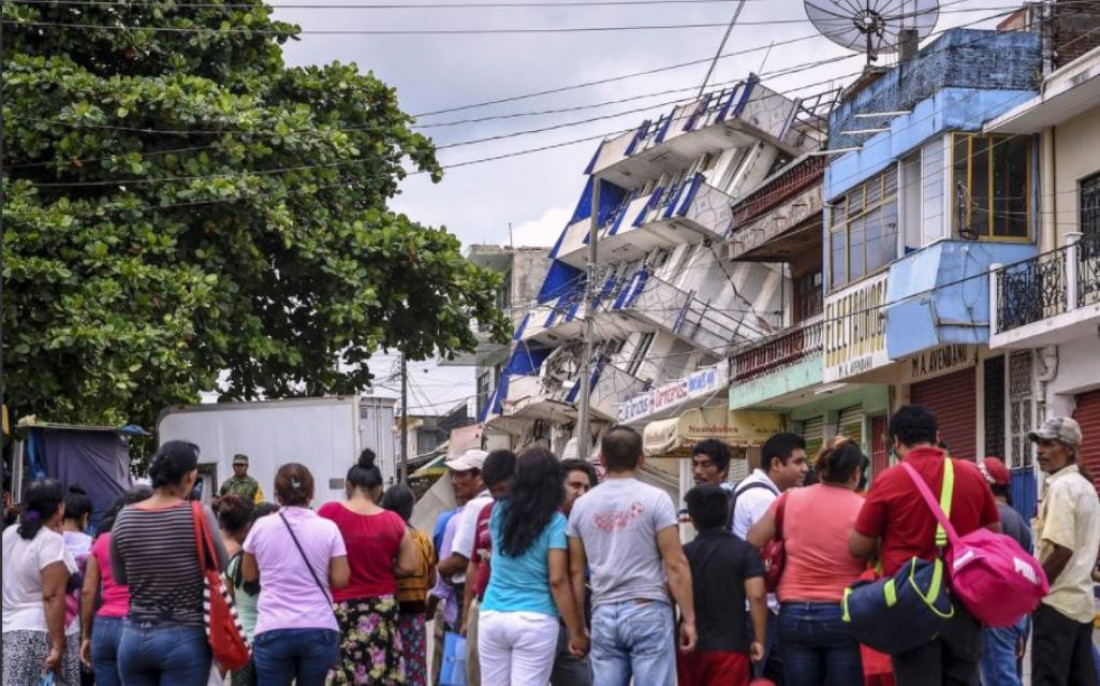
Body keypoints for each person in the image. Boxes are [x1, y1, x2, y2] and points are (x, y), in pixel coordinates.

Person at [850, 405, 1001, 686]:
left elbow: (858, 547)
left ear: (896, 442)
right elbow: (995, 535)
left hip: (911, 606)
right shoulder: (970, 475)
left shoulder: (889, 480)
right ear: (937, 435)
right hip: (963, 603)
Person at [567, 425, 696, 686]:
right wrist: (689, 618)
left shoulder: (581, 506)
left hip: (603, 613)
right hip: (648, 609)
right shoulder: (657, 499)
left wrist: (578, 629)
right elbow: (675, 563)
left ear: (602, 460)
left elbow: (576, 572)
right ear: (641, 459)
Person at [748, 437, 867, 686]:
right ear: (856, 474)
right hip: (841, 613)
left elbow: (752, 540)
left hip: (793, 614)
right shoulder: (863, 507)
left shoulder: (789, 500)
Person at [111, 441, 229, 686]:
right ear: (189, 476)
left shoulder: (125, 516)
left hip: (133, 638)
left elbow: (120, 577)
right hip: (184, 636)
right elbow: (221, 564)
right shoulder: (198, 514)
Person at [478, 447, 589, 684]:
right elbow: (558, 581)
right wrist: (576, 632)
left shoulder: (498, 512)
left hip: (492, 615)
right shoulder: (555, 522)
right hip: (535, 619)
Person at [243, 463, 349, 685]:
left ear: (277, 494)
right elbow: (341, 578)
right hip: (318, 626)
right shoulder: (328, 528)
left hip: (273, 626)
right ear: (311, 493)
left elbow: (249, 574)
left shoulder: (260, 527)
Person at [319, 449, 417, 685]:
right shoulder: (393, 520)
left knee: (344, 668)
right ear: (379, 489)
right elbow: (408, 565)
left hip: (340, 605)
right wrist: (384, 567)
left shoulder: (329, 513)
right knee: (380, 668)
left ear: (348, 484)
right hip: (382, 606)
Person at [730, 431, 808, 682]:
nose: (805, 469)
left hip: (757, 606)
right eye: (797, 462)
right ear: (776, 464)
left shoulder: (755, 490)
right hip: (758, 609)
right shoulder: (763, 498)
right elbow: (772, 551)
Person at [1029, 416, 1100, 686]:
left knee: (1049, 679)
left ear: (1069, 449)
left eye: (1048, 444)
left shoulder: (1062, 488)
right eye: (1038, 444)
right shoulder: (1085, 487)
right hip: (1080, 605)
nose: (1040, 451)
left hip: (1056, 604)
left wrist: (1036, 590)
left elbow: (1062, 549)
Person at [677, 484, 766, 686]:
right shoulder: (745, 552)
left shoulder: (684, 555)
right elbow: (757, 596)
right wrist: (759, 639)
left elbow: (671, 592)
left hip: (689, 646)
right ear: (727, 513)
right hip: (731, 647)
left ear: (692, 520)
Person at [2, 479, 80, 685]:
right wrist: (57, 645)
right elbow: (52, 596)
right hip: (38, 633)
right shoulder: (50, 541)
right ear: (59, 508)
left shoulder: (9, 534)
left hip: (9, 631)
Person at [79, 486, 152, 686]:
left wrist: (86, 635)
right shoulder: (152, 541)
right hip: (137, 626)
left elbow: (88, 591)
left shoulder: (102, 540)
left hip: (104, 628)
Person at [433, 447, 490, 683]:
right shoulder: (497, 503)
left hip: (465, 595)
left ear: (480, 477)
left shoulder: (476, 507)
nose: (455, 482)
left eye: (462, 475)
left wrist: (441, 569)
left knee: (459, 668)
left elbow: (462, 559)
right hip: (487, 596)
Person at [974, 457, 1031, 686]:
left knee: (998, 677)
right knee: (1009, 674)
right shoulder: (1019, 520)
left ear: (986, 485)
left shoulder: (990, 518)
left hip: (996, 612)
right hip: (1017, 611)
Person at [462, 449, 517, 686]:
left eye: (501, 490)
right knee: (478, 677)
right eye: (492, 492)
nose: (497, 498)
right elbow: (473, 563)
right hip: (483, 606)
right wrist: (467, 614)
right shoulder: (486, 512)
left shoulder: (534, 514)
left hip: (518, 610)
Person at [382, 484, 436, 686]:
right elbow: (433, 581)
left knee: (387, 669)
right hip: (415, 615)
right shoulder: (423, 540)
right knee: (415, 670)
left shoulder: (384, 540)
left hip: (388, 615)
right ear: (410, 509)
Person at [219, 495, 275, 686]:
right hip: (273, 644)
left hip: (243, 644)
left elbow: (226, 605)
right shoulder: (281, 565)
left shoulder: (236, 562)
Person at [551, 459, 598, 686]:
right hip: (547, 622)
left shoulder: (590, 527)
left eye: (588, 488)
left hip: (574, 627)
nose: (582, 493)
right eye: (575, 486)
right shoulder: (549, 522)